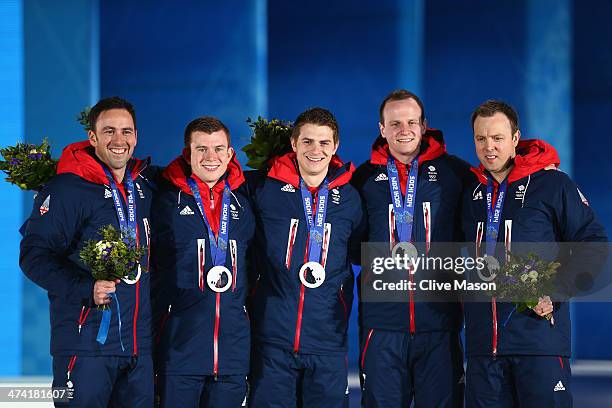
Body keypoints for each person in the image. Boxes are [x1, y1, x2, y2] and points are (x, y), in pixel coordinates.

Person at [462, 100, 607, 407]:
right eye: (481, 138)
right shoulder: (471, 192)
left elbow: (593, 242)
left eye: (498, 138)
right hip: (483, 348)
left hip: (538, 342)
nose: (489, 147)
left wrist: (557, 289)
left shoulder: (552, 184)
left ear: (515, 139)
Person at [20, 97, 155, 407]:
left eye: (127, 131)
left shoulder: (143, 187)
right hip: (84, 348)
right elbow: (33, 256)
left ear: (136, 136)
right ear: (92, 137)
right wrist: (86, 289)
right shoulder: (67, 188)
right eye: (109, 131)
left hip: (137, 351)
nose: (119, 140)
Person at [351, 89, 469, 407]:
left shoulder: (455, 174)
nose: (404, 130)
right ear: (382, 129)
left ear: (424, 125)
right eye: (395, 123)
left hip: (439, 324)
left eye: (412, 122)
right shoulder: (362, 178)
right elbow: (350, 244)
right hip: (382, 325)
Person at [246, 107, 362, 407]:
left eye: (324, 143)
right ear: (294, 144)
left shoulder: (350, 196)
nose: (316, 150)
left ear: (335, 147)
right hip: (272, 341)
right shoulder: (262, 187)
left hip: (327, 341)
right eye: (308, 141)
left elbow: (358, 250)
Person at [150, 116, 254, 407]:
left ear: (230, 154)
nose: (212, 157)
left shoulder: (244, 202)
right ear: (188, 153)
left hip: (233, 356)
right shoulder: (164, 201)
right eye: (202, 149)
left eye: (219, 149)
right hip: (179, 351)